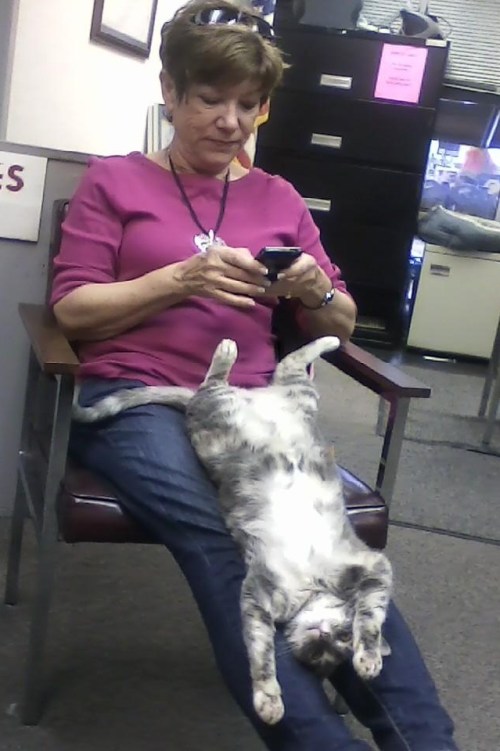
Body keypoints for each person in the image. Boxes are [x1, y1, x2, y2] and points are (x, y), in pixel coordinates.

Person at [50, 2, 459, 749]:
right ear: (170, 92)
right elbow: (72, 310)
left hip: (255, 408)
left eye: (249, 104)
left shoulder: (278, 198)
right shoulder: (114, 183)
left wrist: (315, 290)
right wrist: (180, 280)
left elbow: (341, 321)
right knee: (226, 538)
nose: (231, 121)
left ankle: (427, 740)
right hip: (140, 400)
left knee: (327, 550)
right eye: (210, 99)